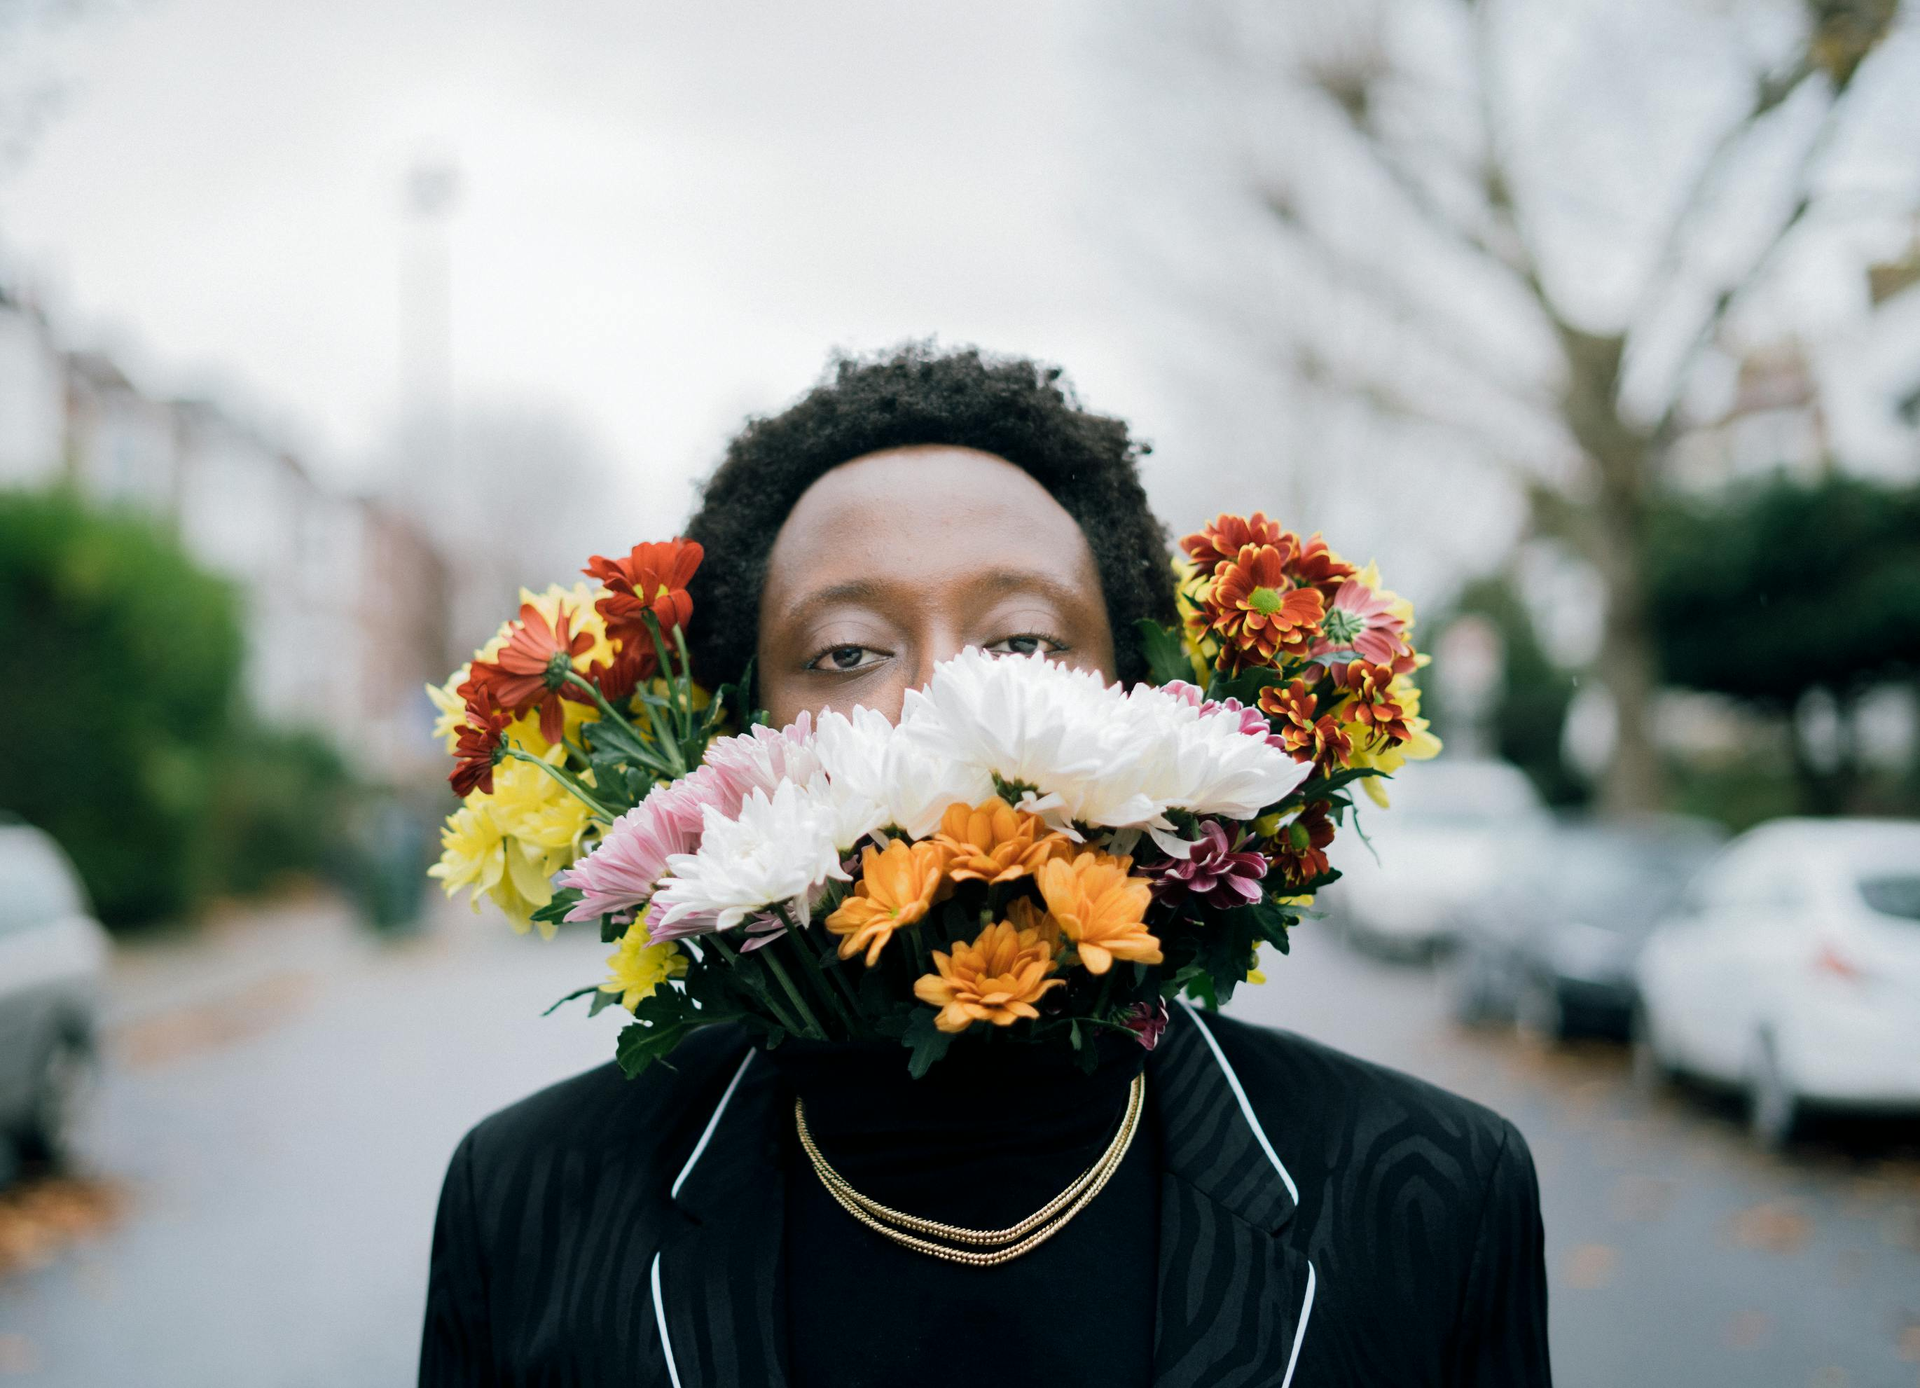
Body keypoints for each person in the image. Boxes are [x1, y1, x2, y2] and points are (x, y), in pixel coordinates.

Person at [419, 344, 1552, 1387]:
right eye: (848, 652)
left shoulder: (1437, 1191)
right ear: (737, 734)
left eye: (1021, 641)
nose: (945, 708)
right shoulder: (527, 1200)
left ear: (1135, 696)